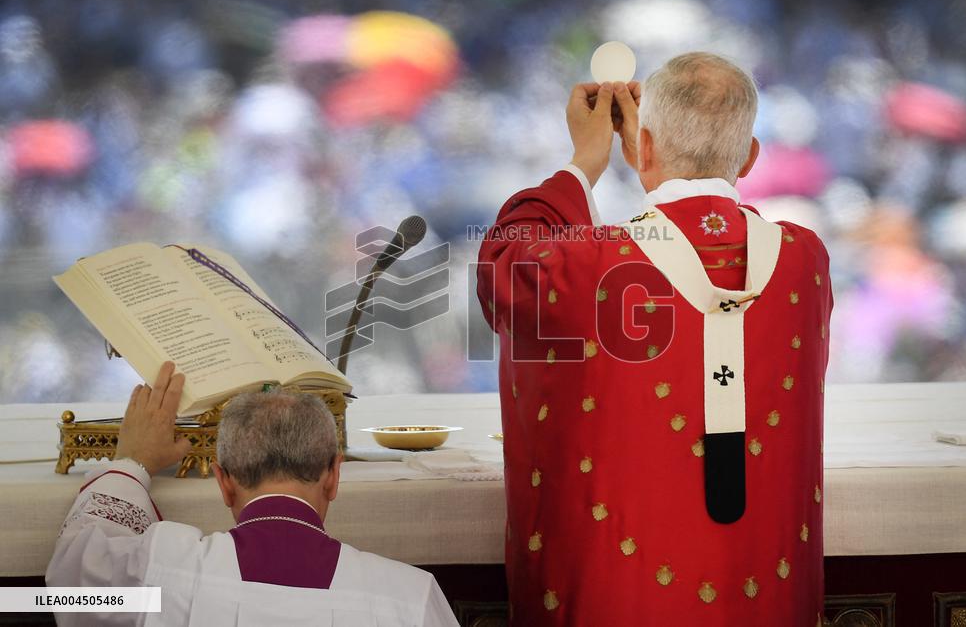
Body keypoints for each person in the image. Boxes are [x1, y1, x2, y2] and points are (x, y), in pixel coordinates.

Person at [477, 52, 832, 626]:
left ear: (641, 148)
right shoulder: (803, 261)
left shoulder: (590, 265)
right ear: (749, 157)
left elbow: (503, 263)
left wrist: (582, 165)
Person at [46, 361, 458, 626]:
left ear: (223, 482)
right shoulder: (410, 599)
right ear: (334, 475)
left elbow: (70, 580)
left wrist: (132, 462)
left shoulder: (162, 568)